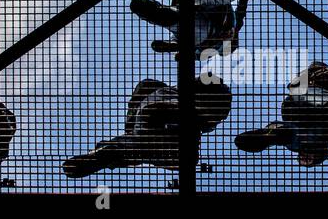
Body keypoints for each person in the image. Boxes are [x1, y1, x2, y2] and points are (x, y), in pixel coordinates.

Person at [62, 76, 233, 177]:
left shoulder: (162, 91)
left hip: (148, 118)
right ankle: (108, 153)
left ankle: (106, 153)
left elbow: (144, 86)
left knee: (134, 145)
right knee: (142, 148)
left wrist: (131, 126)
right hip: (160, 121)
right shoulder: (198, 115)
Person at [234, 62, 328, 166]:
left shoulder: (296, 144)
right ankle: (272, 135)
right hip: (317, 111)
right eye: (308, 160)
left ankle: (271, 135)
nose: (304, 157)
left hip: (303, 112)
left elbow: (295, 86)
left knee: (290, 132)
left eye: (302, 159)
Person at [130, 0, 275, 57]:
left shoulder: (207, 48)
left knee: (184, 24)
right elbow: (241, 12)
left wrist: (176, 48)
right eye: (230, 37)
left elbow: (196, 52)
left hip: (190, 8)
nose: (227, 36)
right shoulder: (234, 25)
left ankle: (158, 15)